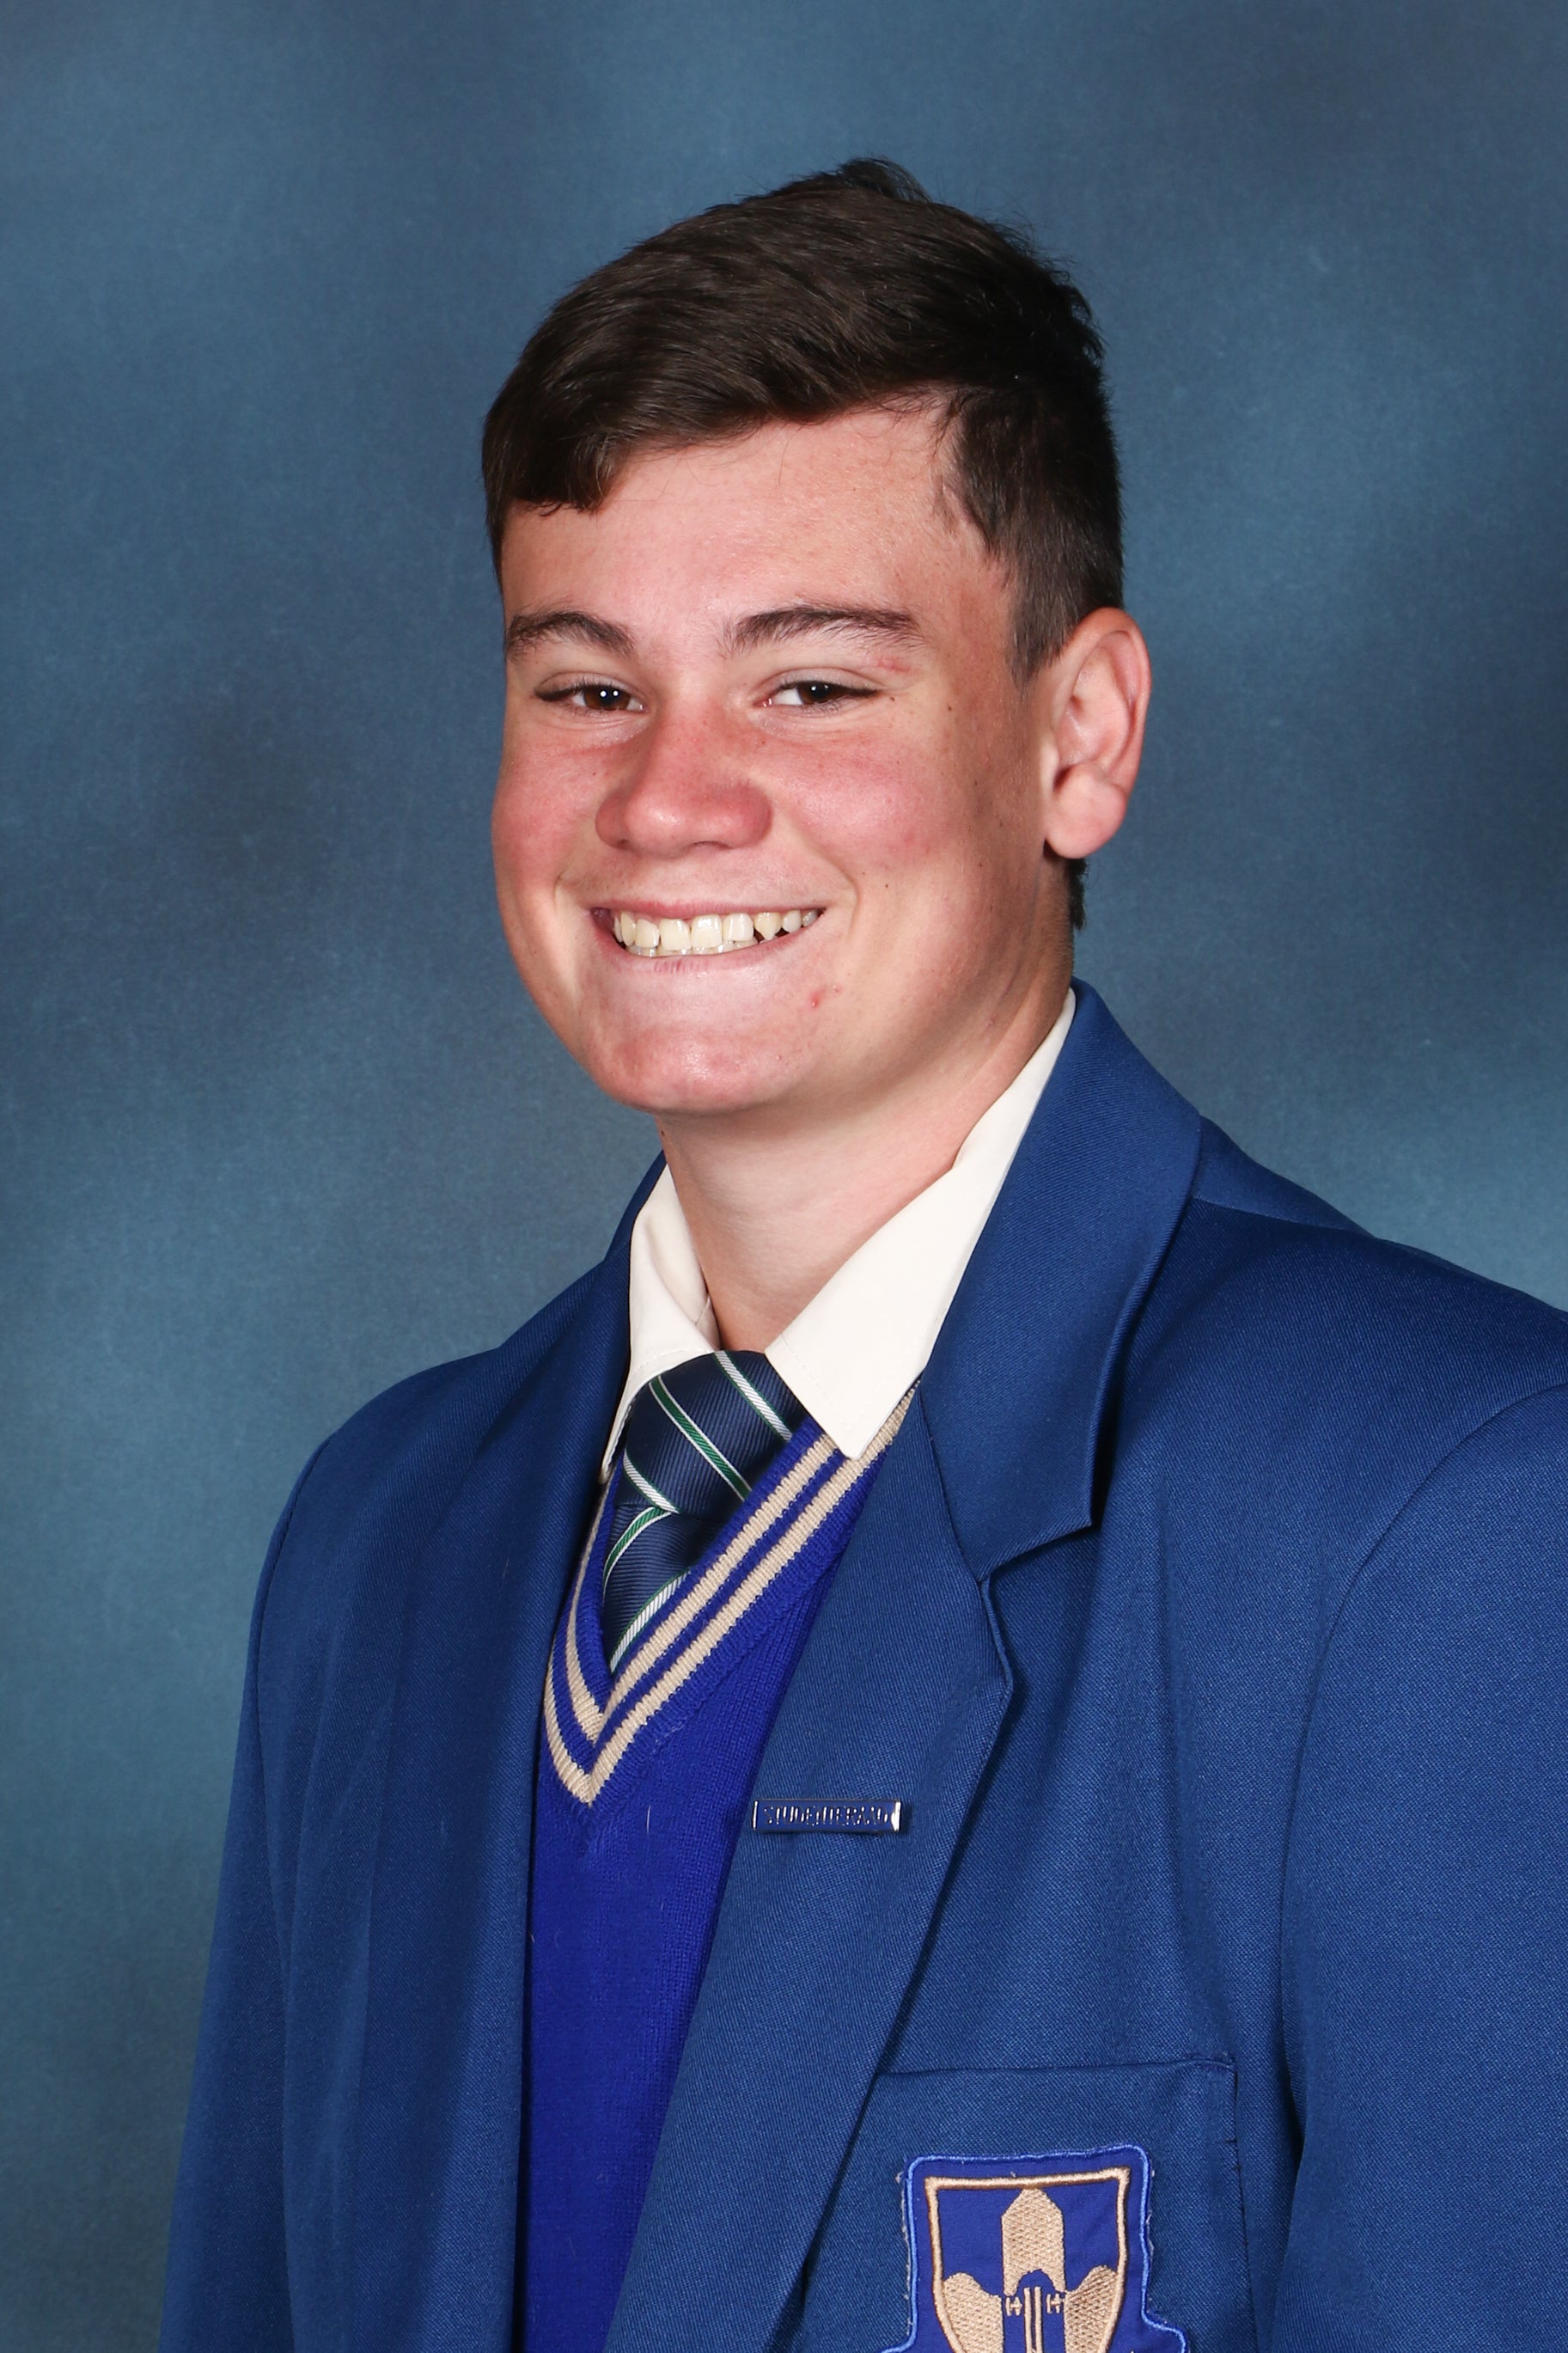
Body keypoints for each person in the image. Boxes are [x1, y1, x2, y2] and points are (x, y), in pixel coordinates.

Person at [160, 162, 1568, 2353]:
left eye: (810, 684)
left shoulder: (1446, 1518)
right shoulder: (378, 1548)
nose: (670, 802)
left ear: (1077, 738)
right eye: (586, 689)